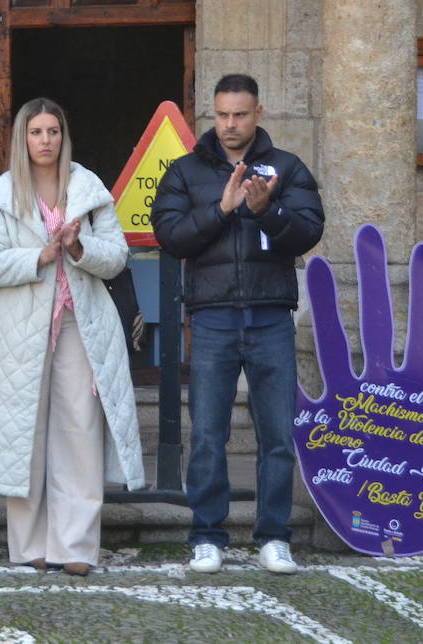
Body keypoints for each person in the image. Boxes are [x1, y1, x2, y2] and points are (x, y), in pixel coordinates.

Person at [152, 73, 324, 575]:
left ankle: (273, 537)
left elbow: (309, 232)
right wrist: (223, 209)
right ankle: (207, 535)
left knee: (277, 435)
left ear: (258, 113)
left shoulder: (287, 169)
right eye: (222, 114)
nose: (230, 124)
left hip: (271, 316)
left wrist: (266, 211)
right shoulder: (185, 172)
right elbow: (172, 237)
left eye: (240, 114)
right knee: (207, 432)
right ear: (213, 113)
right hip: (211, 317)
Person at [0, 97, 144, 577]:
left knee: (79, 431)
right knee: (26, 433)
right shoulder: (3, 194)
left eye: (53, 132)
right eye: (36, 132)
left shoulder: (88, 189)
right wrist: (42, 256)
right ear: (23, 139)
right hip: (20, 329)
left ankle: (77, 546)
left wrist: (78, 246)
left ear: (63, 138)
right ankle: (28, 545)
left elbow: (117, 256)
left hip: (78, 325)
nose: (45, 141)